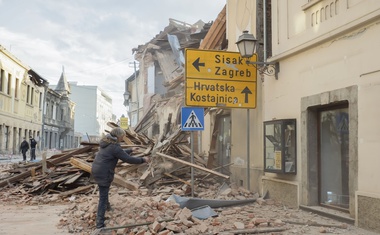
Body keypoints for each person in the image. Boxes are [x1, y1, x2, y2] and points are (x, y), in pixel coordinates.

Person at [91, 127, 150, 229]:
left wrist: (130, 150)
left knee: (104, 192)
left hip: (97, 170)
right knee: (103, 196)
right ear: (118, 136)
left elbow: (119, 153)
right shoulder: (114, 146)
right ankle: (100, 225)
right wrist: (143, 159)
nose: (123, 138)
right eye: (122, 136)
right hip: (104, 172)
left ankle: (107, 208)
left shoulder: (108, 143)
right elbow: (128, 159)